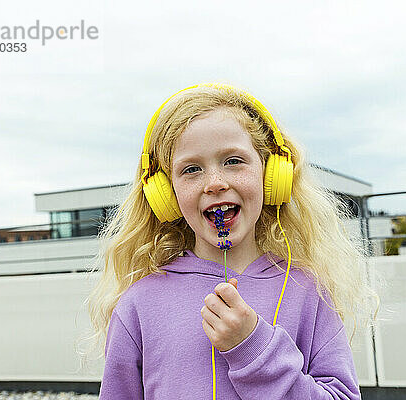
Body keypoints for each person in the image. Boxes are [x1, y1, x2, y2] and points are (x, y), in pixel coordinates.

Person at [83, 83, 377, 399]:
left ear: (271, 174)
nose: (215, 183)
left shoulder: (309, 292)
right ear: (166, 195)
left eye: (233, 161)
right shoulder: (137, 304)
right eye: (191, 169)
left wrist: (252, 347)